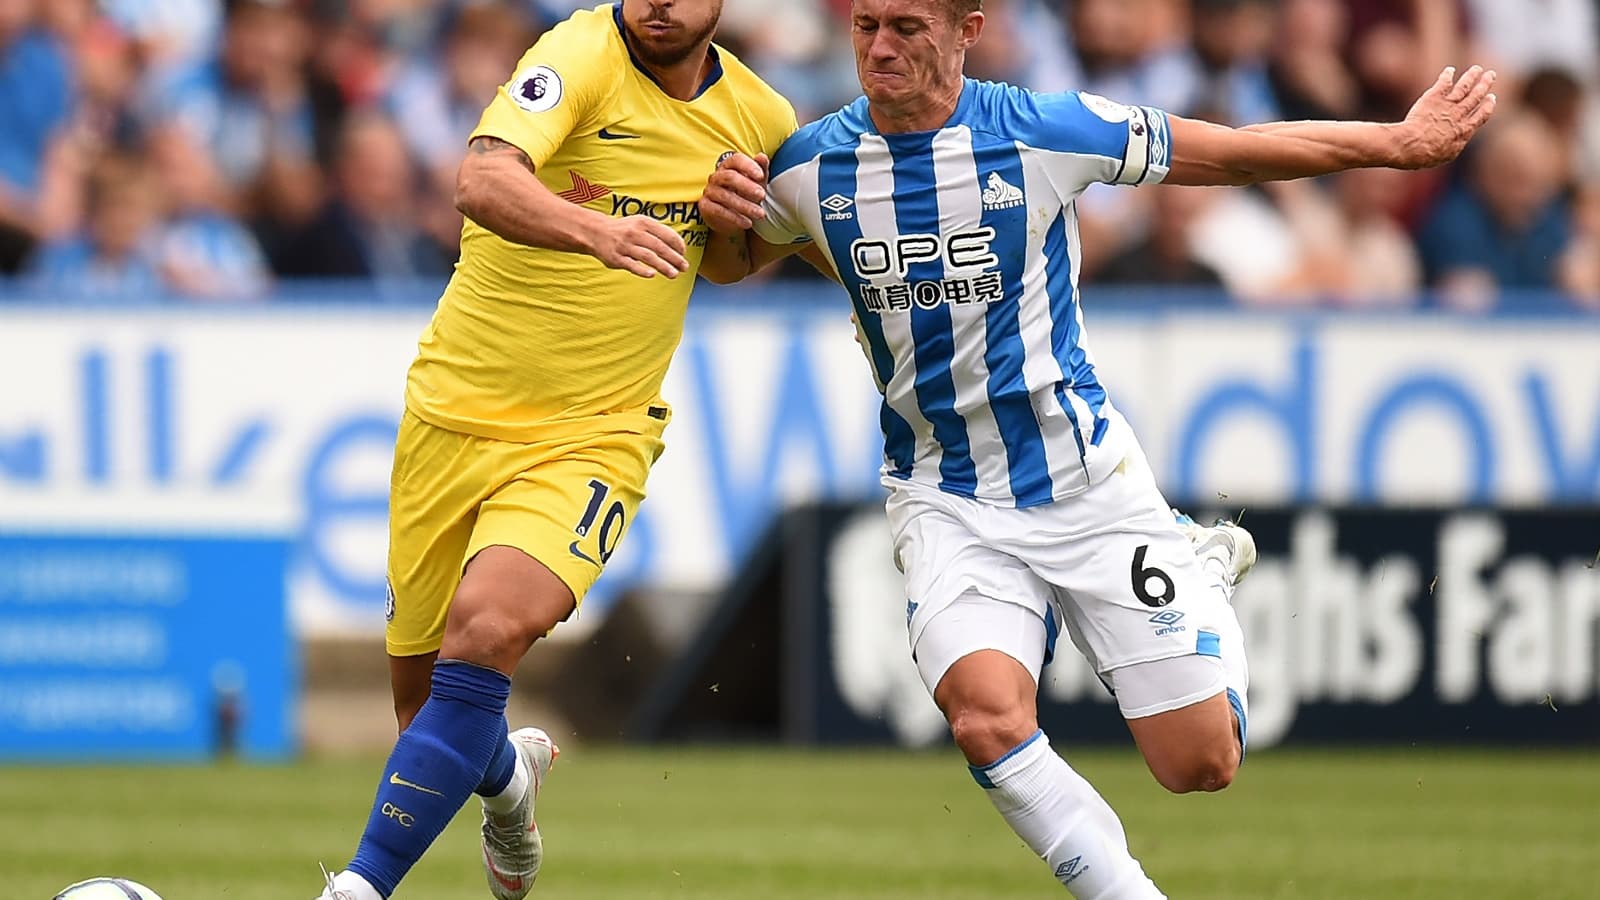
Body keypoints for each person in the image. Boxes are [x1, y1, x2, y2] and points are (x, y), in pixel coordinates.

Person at [698, 0, 1495, 895]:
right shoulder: (811, 162)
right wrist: (725, 220)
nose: (880, 48)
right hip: (944, 494)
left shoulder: (1042, 132)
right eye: (866, 25)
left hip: (1083, 485)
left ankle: (1197, 565)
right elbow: (733, 257)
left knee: (1199, 764)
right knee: (985, 718)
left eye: (908, 27)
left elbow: (1228, 152)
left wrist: (1393, 144)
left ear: (968, 29)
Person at [313, 2, 797, 899]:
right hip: (452, 416)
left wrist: (735, 227)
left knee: (488, 632)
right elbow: (480, 182)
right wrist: (598, 230)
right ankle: (507, 777)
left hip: (596, 433)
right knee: (429, 715)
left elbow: (735, 257)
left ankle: (357, 888)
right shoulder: (578, 52)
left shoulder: (763, 117)